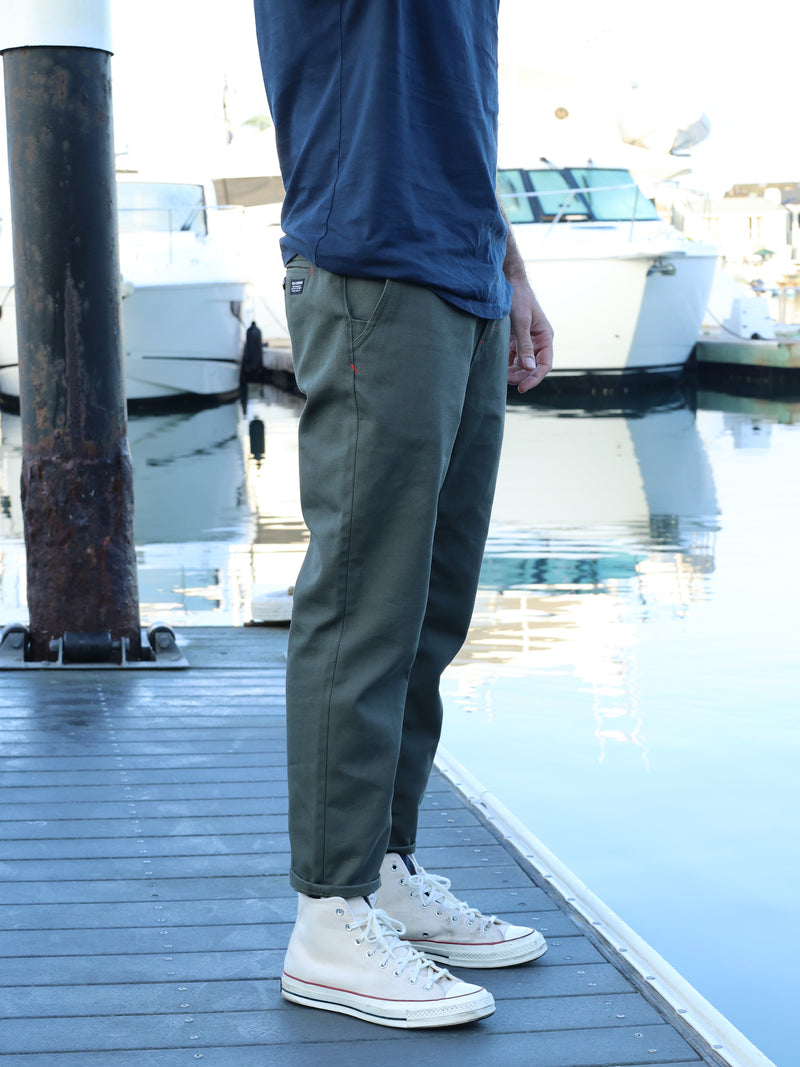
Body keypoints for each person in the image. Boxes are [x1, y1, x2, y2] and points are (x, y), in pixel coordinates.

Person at [254, 0, 554, 1030]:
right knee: (365, 593)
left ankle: (381, 871)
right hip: (372, 257)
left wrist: (507, 267)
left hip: (460, 263)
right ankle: (328, 916)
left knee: (432, 600)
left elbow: (455, 106)